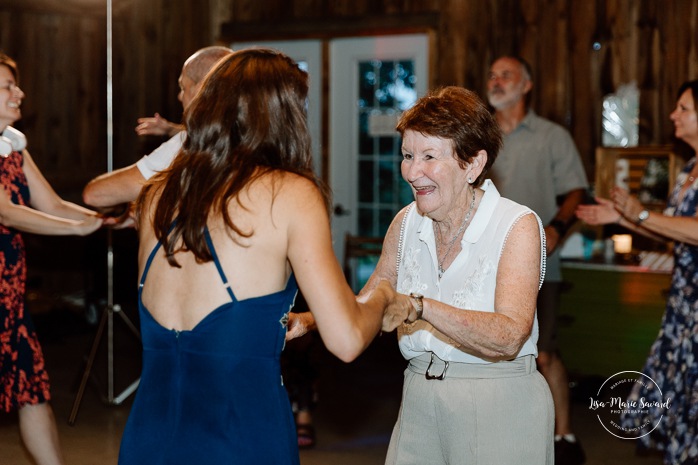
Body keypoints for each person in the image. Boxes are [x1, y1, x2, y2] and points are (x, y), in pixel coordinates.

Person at [117, 48, 413, 464]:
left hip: (149, 438)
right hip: (241, 439)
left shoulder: (155, 196)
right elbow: (345, 339)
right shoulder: (289, 195)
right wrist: (383, 293)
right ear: (282, 112)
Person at [369, 86, 551, 463]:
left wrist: (420, 307)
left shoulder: (516, 225)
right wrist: (309, 321)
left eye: (428, 157)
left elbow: (509, 336)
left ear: (473, 164)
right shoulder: (405, 223)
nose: (411, 171)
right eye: (407, 155)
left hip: (499, 406)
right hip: (418, 398)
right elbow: (371, 303)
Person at [576, 79, 698, 465]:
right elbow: (674, 230)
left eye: (684, 108)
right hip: (684, 303)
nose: (672, 115)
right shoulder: (690, 168)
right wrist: (624, 218)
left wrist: (640, 212)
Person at [0, 52, 103, 465]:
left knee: (32, 389)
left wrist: (107, 220)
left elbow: (55, 205)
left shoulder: (14, 149)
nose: (19, 92)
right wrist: (77, 231)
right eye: (8, 86)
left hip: (8, 298)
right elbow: (5, 210)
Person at [486, 55, 589, 465]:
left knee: (543, 353)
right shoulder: (478, 134)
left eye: (505, 74)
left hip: (540, 260)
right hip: (485, 261)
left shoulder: (551, 136)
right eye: (491, 75)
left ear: (526, 85)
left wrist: (555, 231)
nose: (496, 81)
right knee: (491, 348)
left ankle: (563, 436)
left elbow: (577, 192)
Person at [82, 45, 233, 208]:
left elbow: (95, 195)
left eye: (183, 87)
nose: (179, 96)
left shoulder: (186, 144)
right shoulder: (253, 134)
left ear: (201, 90)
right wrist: (171, 129)